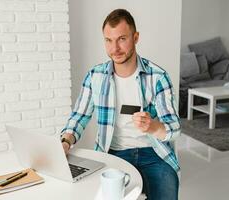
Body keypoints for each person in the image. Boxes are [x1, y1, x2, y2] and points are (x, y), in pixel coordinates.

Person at [60, 8, 181, 200]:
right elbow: (79, 117)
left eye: (122, 39)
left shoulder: (158, 77)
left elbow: (174, 127)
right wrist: (66, 141)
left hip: (154, 154)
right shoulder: (95, 76)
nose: (114, 48)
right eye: (109, 40)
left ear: (136, 37)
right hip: (113, 154)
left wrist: (154, 126)